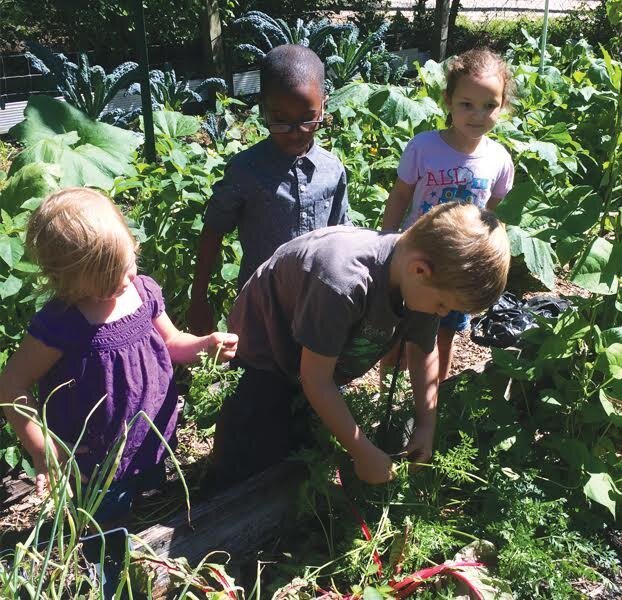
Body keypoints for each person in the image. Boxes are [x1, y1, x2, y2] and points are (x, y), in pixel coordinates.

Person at [209, 202, 510, 490]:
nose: (442, 315)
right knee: (248, 447)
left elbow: (422, 351)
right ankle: (215, 503)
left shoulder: (419, 282)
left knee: (301, 442)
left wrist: (425, 425)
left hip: (318, 355)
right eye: (443, 305)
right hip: (265, 350)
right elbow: (315, 379)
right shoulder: (343, 283)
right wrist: (362, 451)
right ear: (420, 270)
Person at [0, 188, 238, 521]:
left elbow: (171, 342)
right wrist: (44, 450)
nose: (125, 280)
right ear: (66, 279)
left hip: (149, 436)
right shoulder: (60, 324)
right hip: (94, 460)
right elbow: (12, 385)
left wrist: (204, 346)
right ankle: (104, 560)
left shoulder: (142, 291)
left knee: (148, 504)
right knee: (102, 525)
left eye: (127, 266)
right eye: (107, 279)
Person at [189, 44, 350, 334]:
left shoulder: (332, 169)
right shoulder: (245, 170)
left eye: (307, 119)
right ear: (263, 108)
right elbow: (213, 229)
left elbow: (344, 236)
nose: (294, 131)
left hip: (317, 306)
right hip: (261, 309)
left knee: (313, 376)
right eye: (280, 120)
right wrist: (198, 298)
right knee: (260, 377)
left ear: (323, 105)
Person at [381, 48, 515, 382]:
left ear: (502, 106)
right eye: (466, 104)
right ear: (448, 101)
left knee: (446, 332)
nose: (477, 115)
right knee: (399, 329)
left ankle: (434, 393)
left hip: (460, 265)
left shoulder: (499, 160)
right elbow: (400, 195)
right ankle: (388, 390)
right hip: (416, 258)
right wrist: (385, 239)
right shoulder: (424, 147)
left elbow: (491, 212)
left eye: (489, 106)